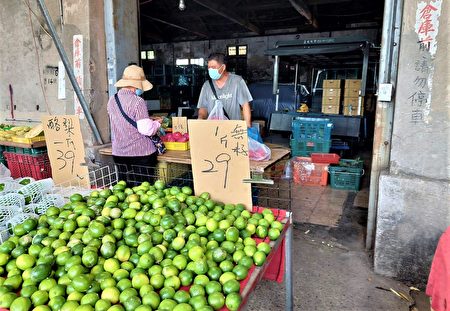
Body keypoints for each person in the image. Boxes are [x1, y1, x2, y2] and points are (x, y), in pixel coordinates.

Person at [107, 65, 161, 183]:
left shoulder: (112, 100)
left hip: (119, 153)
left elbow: (121, 121)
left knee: (124, 189)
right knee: (144, 191)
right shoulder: (138, 101)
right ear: (137, 84)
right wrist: (156, 124)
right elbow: (146, 130)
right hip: (141, 154)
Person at [197, 53, 253, 128]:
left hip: (233, 129)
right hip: (213, 130)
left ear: (223, 67)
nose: (210, 70)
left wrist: (247, 125)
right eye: (209, 67)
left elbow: (245, 105)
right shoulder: (207, 86)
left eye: (213, 67)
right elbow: (203, 108)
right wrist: (200, 118)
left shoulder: (237, 81)